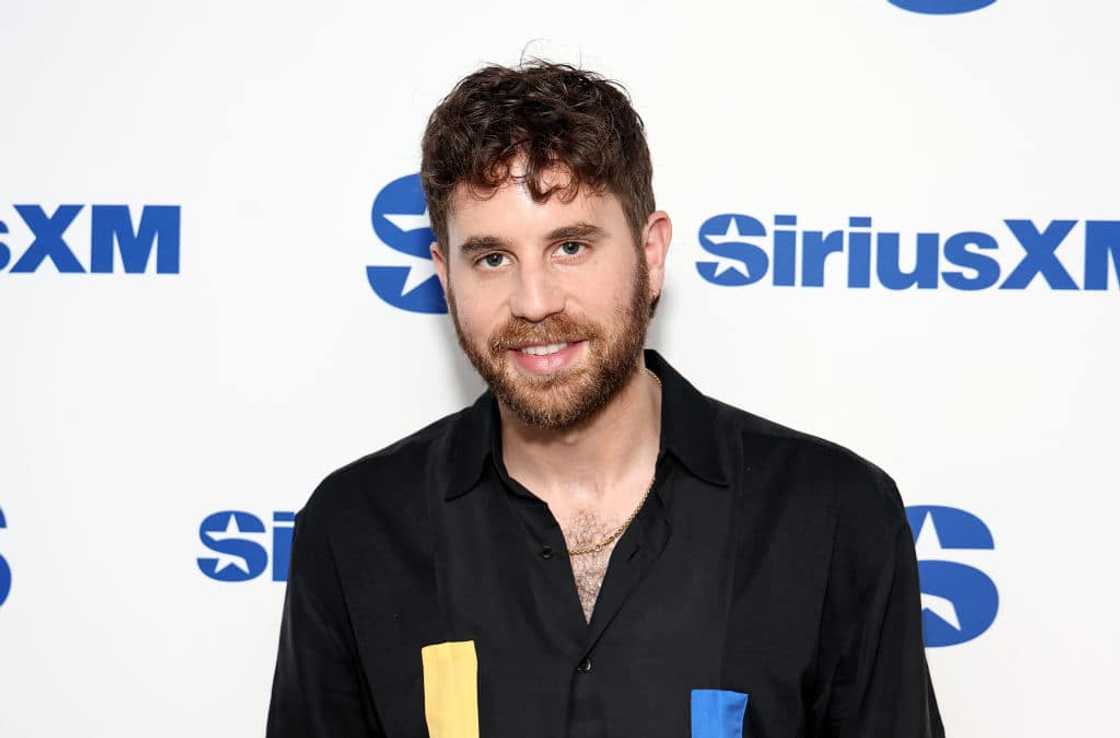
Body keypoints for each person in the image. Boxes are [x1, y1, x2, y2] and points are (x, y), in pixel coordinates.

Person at [267, 59, 945, 738]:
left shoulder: (831, 518)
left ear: (651, 255)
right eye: (491, 258)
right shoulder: (356, 530)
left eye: (570, 246)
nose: (534, 303)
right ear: (446, 276)